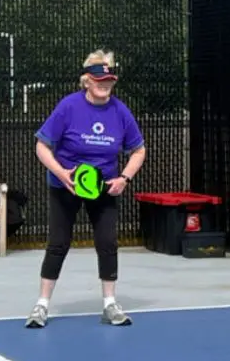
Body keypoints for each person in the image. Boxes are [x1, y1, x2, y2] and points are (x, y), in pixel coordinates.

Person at [25, 50, 146, 328]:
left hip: (103, 189)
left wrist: (124, 179)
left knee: (107, 242)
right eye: (99, 80)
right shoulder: (68, 107)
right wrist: (61, 173)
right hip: (65, 186)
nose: (104, 85)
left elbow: (138, 151)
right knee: (58, 243)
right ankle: (41, 305)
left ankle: (110, 304)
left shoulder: (120, 111)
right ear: (87, 81)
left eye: (109, 80)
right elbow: (41, 146)